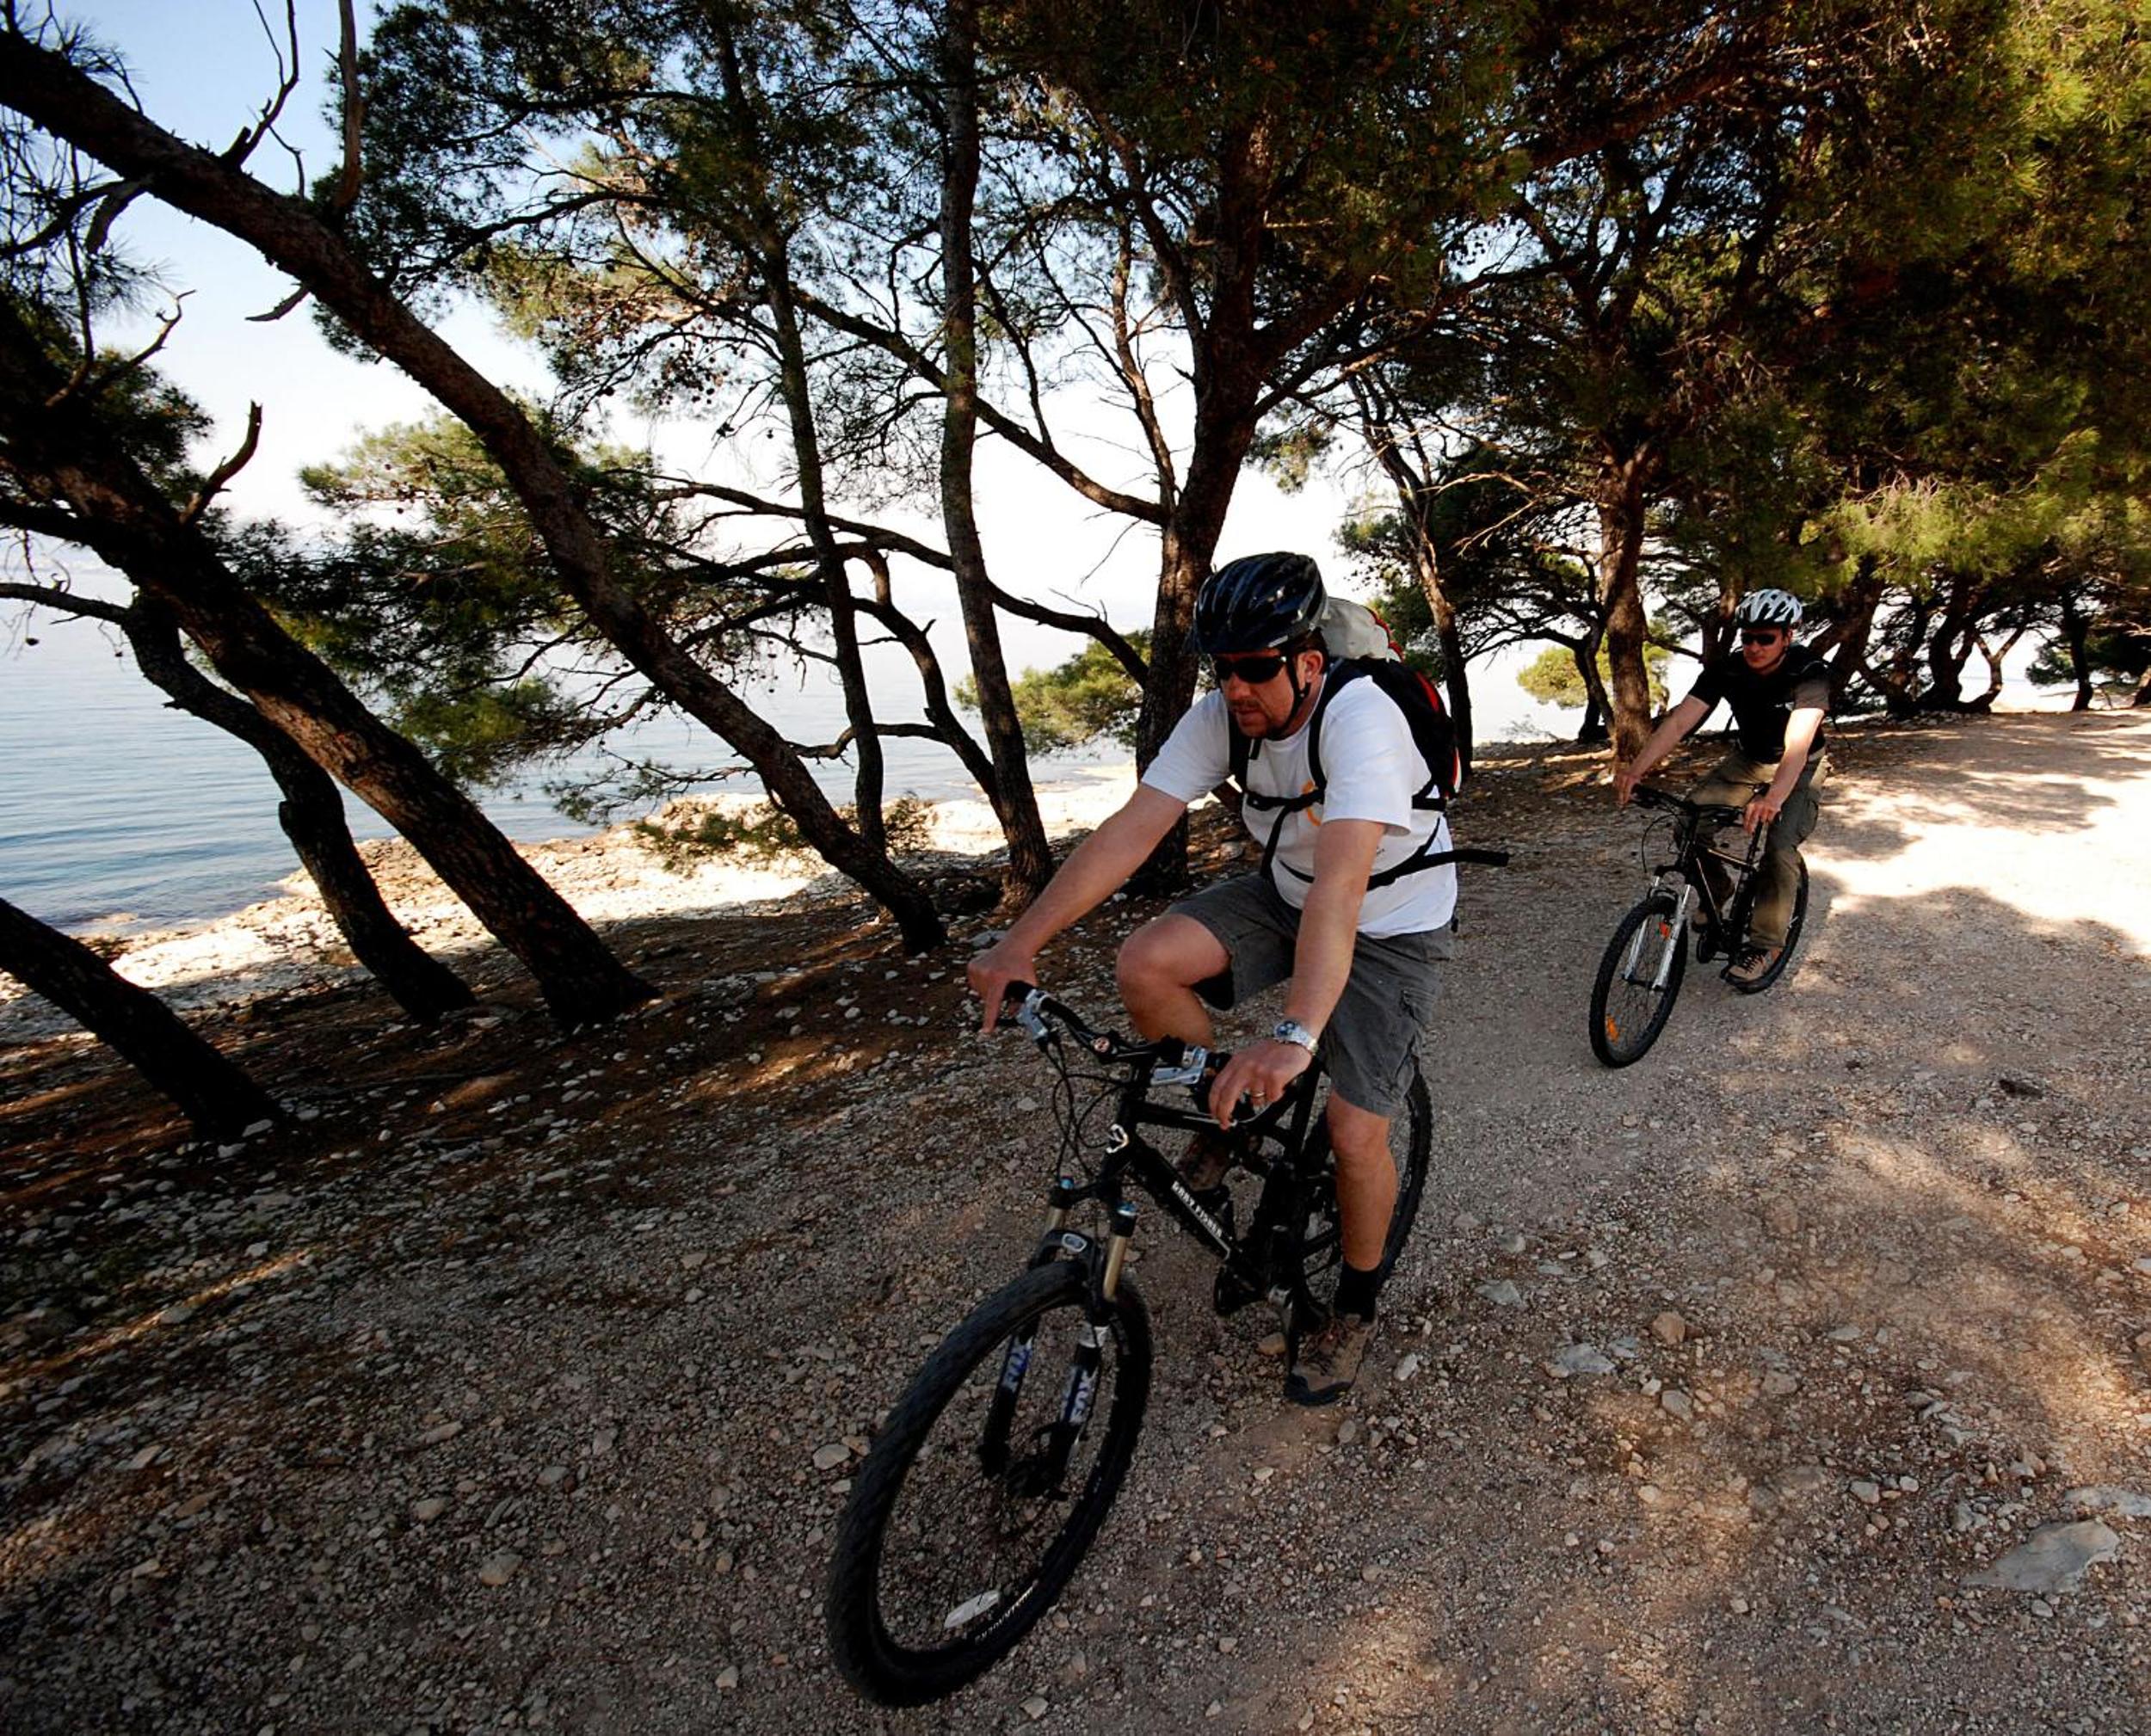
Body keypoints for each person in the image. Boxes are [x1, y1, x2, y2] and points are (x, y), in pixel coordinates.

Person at [969, 551, 1459, 1407]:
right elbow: (1130, 831)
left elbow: (1342, 889)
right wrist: (1020, 944)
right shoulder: (1222, 716)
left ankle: (1354, 1305)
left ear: (1308, 661)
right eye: (1221, 667)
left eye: (1255, 666)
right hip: (1288, 891)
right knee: (1146, 962)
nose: (1235, 687)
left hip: (1387, 921)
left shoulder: (1361, 718)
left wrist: (1294, 1034)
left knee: (1353, 1131)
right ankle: (1228, 1122)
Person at [1612, 588, 1831, 982]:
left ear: (1787, 636)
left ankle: (1764, 945)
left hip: (1800, 765)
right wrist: (1636, 769)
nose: (1754, 647)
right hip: (1749, 760)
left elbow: (1798, 744)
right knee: (1688, 825)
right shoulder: (1728, 669)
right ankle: (1717, 890)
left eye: (1766, 638)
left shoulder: (1809, 672)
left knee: (1779, 850)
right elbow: (1680, 721)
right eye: (1748, 637)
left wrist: (1773, 797)